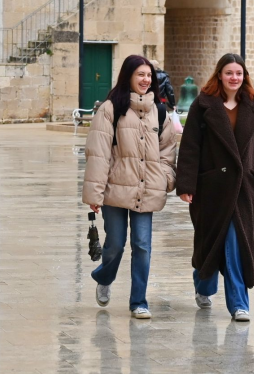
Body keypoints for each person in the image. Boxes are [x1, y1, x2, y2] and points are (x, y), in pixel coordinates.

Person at [176, 53, 254, 322]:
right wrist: (186, 184)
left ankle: (239, 304)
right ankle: (203, 283)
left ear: (244, 76)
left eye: (239, 73)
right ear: (219, 75)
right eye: (229, 73)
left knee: (235, 244)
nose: (234, 78)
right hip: (211, 188)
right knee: (211, 241)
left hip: (243, 188)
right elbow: (190, 147)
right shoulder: (202, 106)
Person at [82, 54, 176, 318]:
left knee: (142, 245)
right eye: (140, 75)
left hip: (147, 189)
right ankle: (104, 276)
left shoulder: (159, 111)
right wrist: (95, 194)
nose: (146, 80)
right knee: (115, 244)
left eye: (149, 75)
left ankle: (139, 302)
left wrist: (165, 177)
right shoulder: (111, 109)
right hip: (115, 189)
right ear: (128, 77)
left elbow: (169, 150)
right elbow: (98, 154)